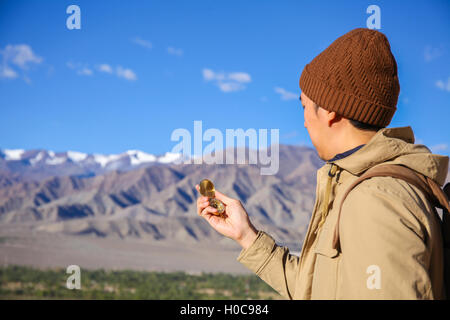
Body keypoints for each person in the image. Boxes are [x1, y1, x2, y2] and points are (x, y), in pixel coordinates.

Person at [195, 28, 449, 299]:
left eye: (304, 106)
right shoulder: (362, 186)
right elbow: (317, 289)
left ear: (329, 110)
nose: (304, 120)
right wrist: (247, 237)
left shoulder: (375, 200)